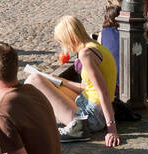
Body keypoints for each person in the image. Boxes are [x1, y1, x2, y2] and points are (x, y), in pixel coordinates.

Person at [26, 15, 120, 146]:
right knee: (45, 81)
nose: (65, 47)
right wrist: (61, 81)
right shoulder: (96, 47)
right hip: (89, 105)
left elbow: (102, 91)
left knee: (33, 79)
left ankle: (24, 122)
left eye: (62, 42)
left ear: (70, 38)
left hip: (91, 116)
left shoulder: (85, 54)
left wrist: (112, 130)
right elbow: (88, 87)